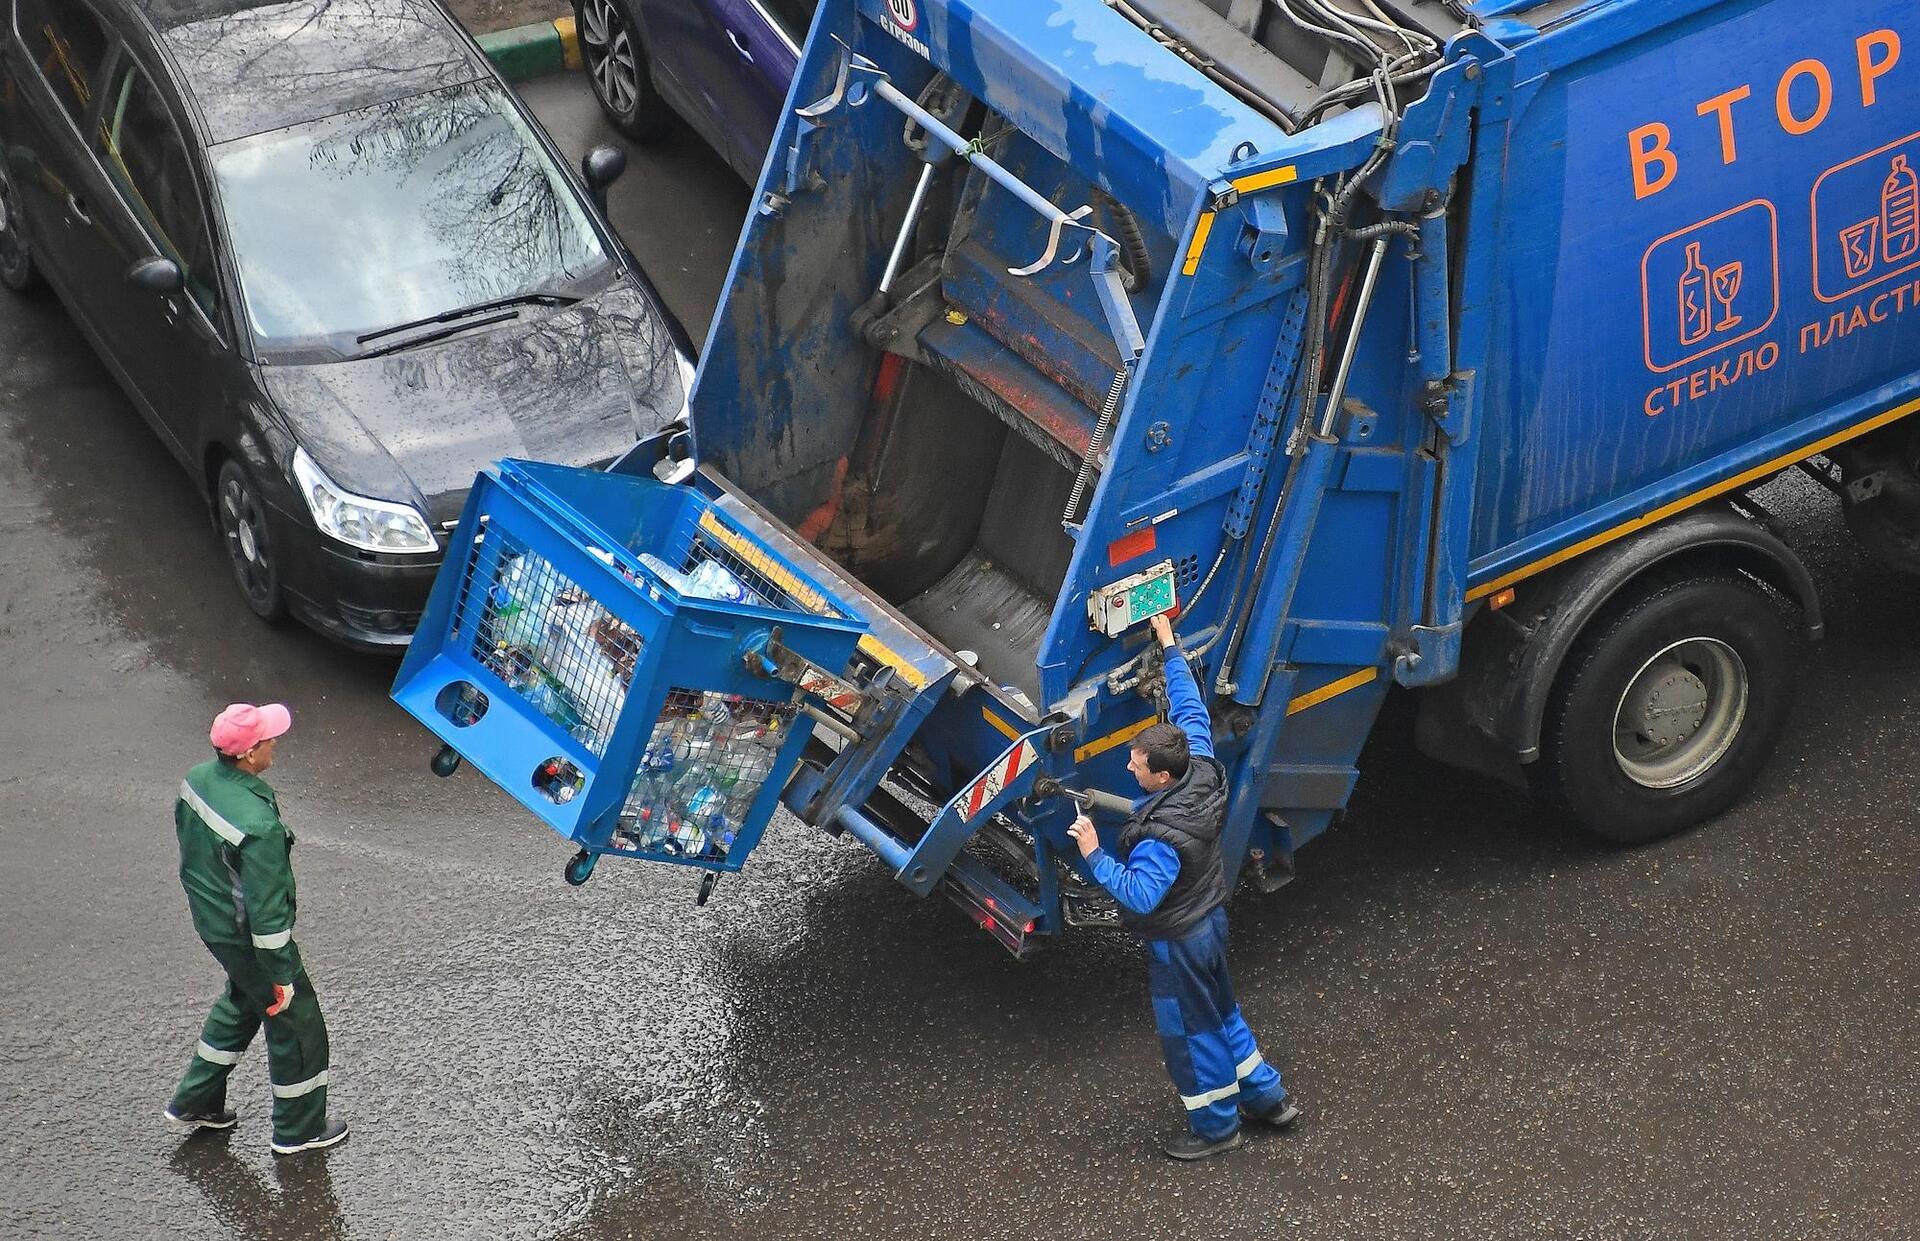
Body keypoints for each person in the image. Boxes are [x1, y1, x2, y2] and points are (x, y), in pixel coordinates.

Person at [1068, 613, 1296, 1160]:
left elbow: (1142, 894)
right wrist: (1168, 643)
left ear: (1161, 777)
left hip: (1180, 941)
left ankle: (1217, 1127)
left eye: (1137, 763)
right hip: (1211, 920)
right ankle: (1267, 1096)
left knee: (1190, 1035)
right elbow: (1190, 704)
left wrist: (1093, 853)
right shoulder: (1201, 764)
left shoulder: (1159, 840)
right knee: (1222, 1012)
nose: (1129, 765)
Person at [164, 703, 348, 1156]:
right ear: (249, 754)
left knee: (245, 1000)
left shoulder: (198, 779)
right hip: (247, 937)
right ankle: (298, 1129)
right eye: (269, 740)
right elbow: (267, 919)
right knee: (295, 1021)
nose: (275, 745)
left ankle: (195, 1100)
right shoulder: (259, 826)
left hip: (214, 922)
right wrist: (282, 975)